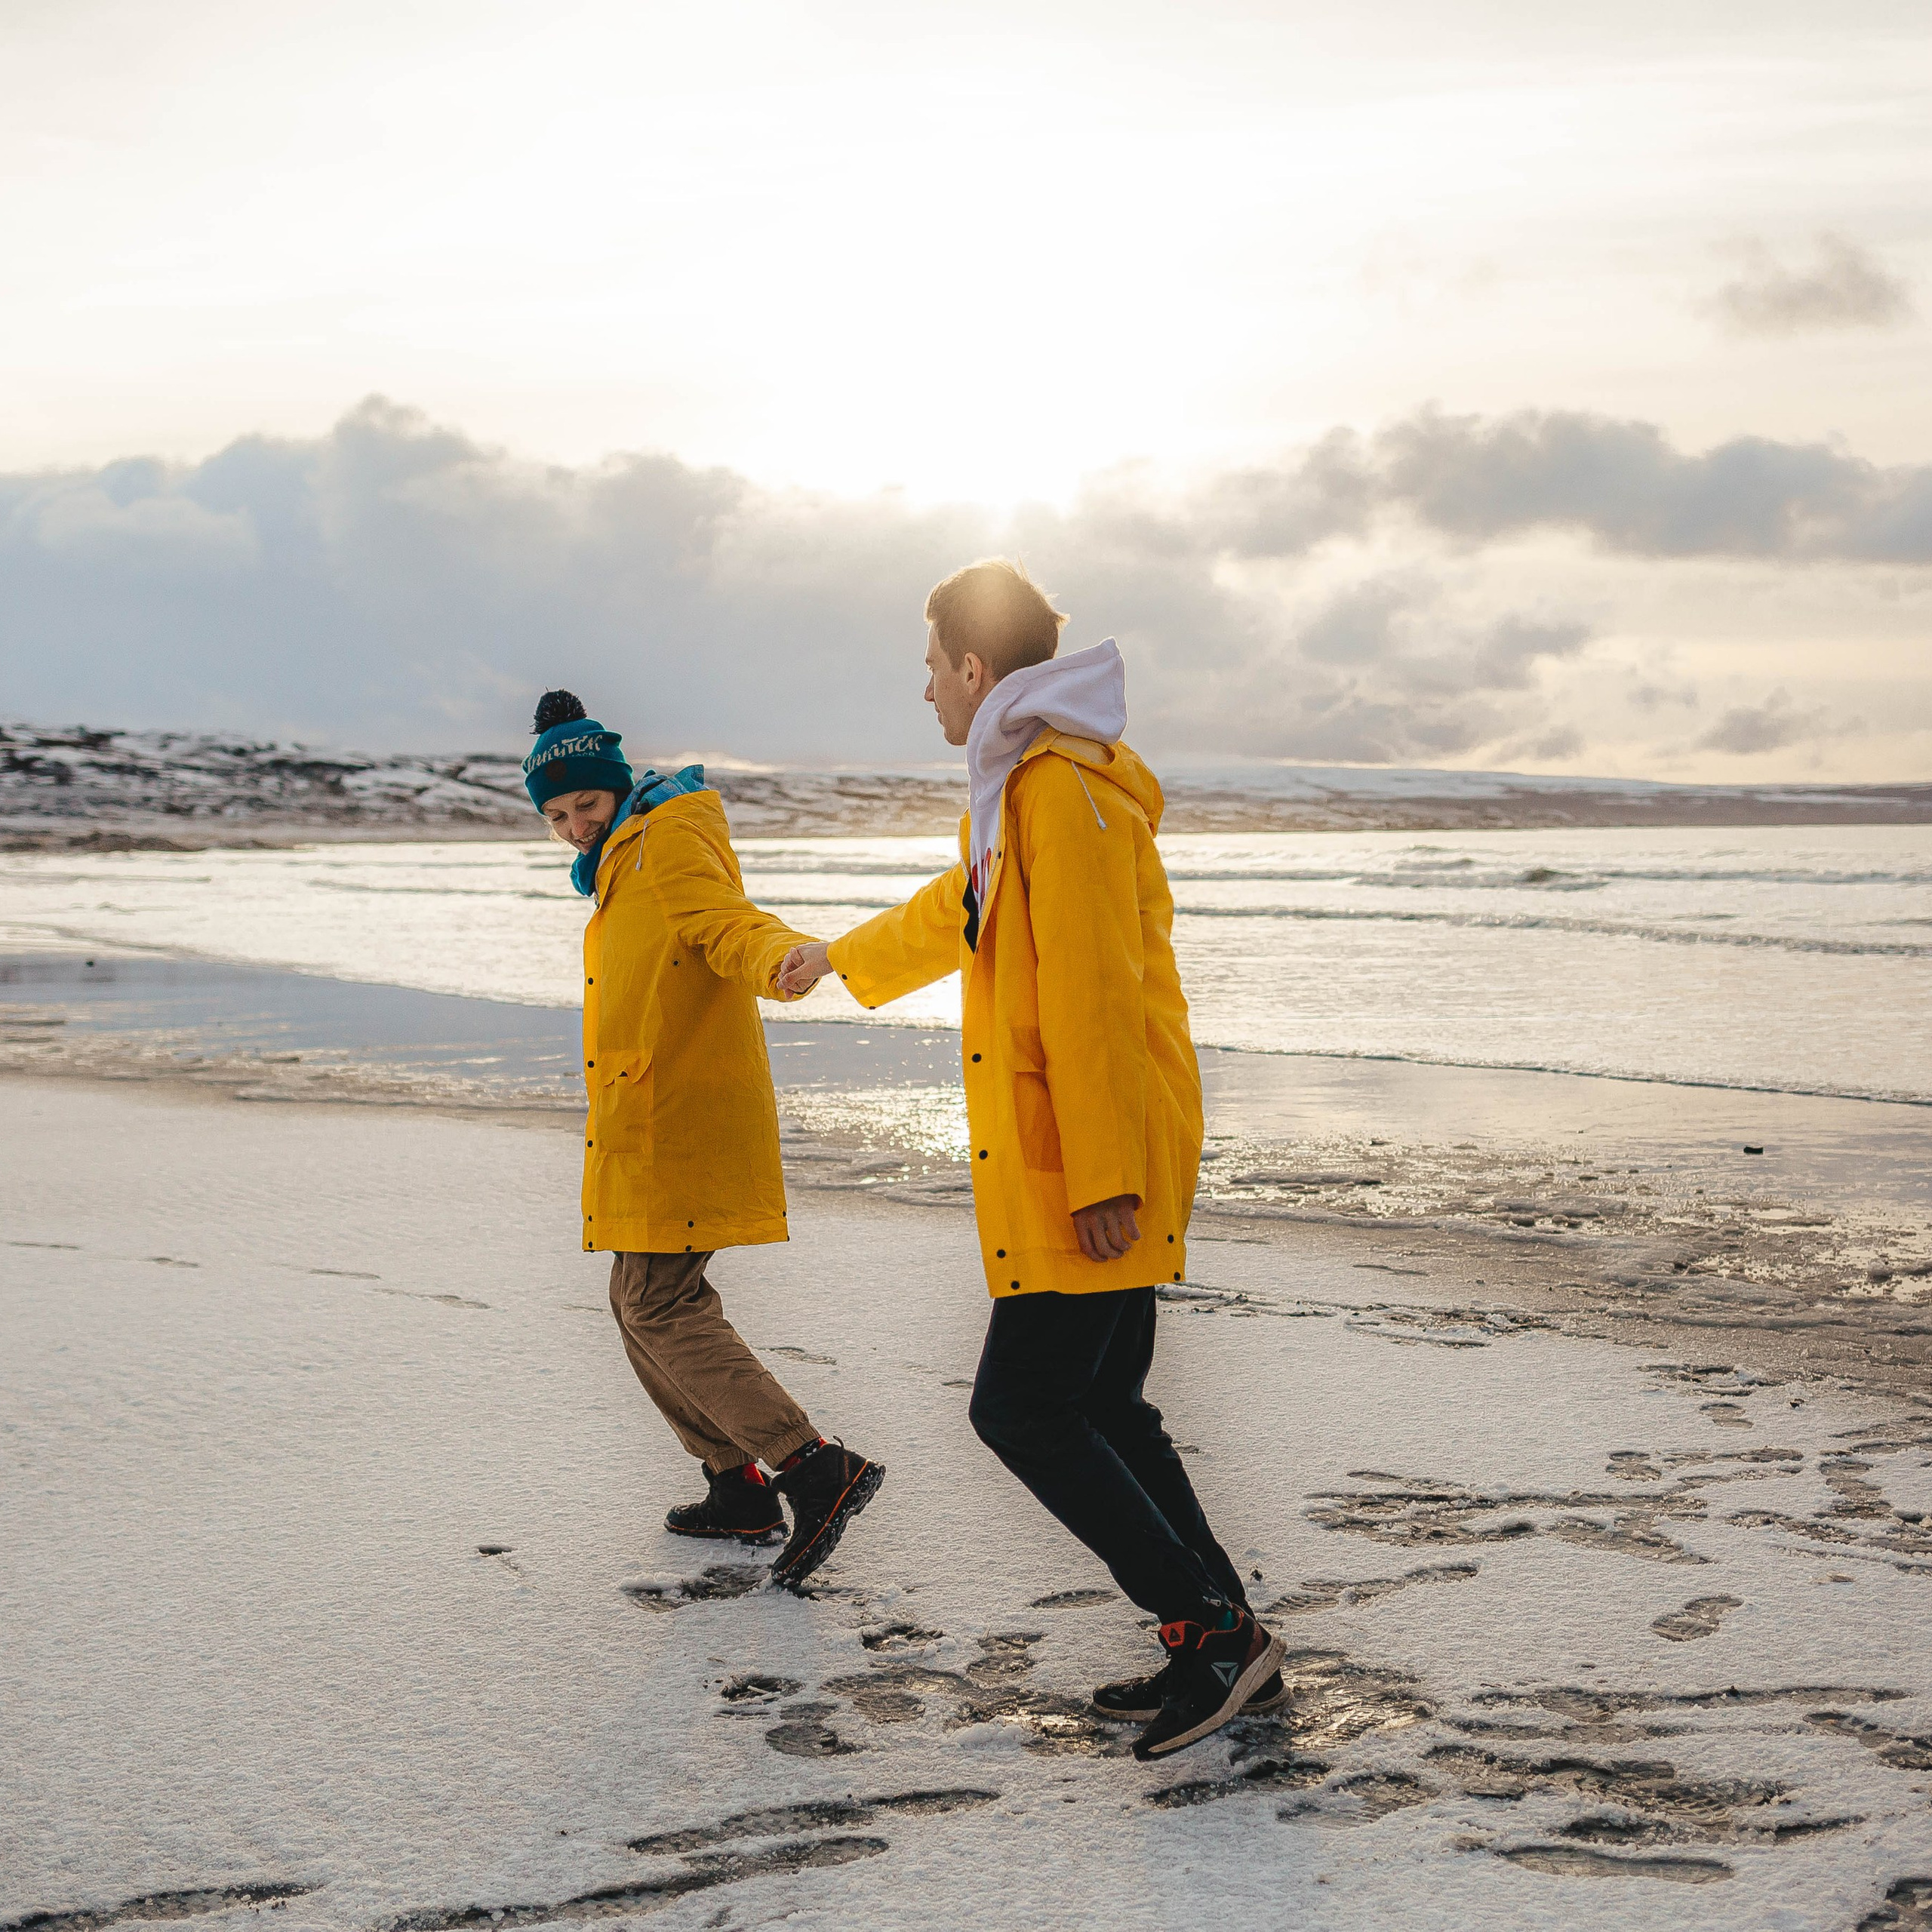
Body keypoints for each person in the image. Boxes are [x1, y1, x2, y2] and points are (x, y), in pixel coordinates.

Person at [777, 562, 1281, 1759]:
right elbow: (963, 907)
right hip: (1088, 1149)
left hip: (1089, 1159)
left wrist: (1107, 1172)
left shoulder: (1060, 791)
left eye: (930, 671)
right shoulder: (1025, 789)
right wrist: (837, 958)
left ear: (972, 669)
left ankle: (1208, 1631)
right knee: (1104, 1402)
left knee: (1020, 1407)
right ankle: (1216, 1636)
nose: (924, 697)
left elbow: (1100, 992)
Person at [525, 688, 881, 1592]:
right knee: (634, 1297)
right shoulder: (617, 859)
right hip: (646, 1111)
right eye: (557, 815)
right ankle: (738, 1487)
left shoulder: (667, 837)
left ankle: (809, 1466)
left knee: (656, 1301)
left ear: (616, 790)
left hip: (678, 1112)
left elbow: (724, 920)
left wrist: (782, 957)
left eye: (586, 806)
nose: (573, 826)